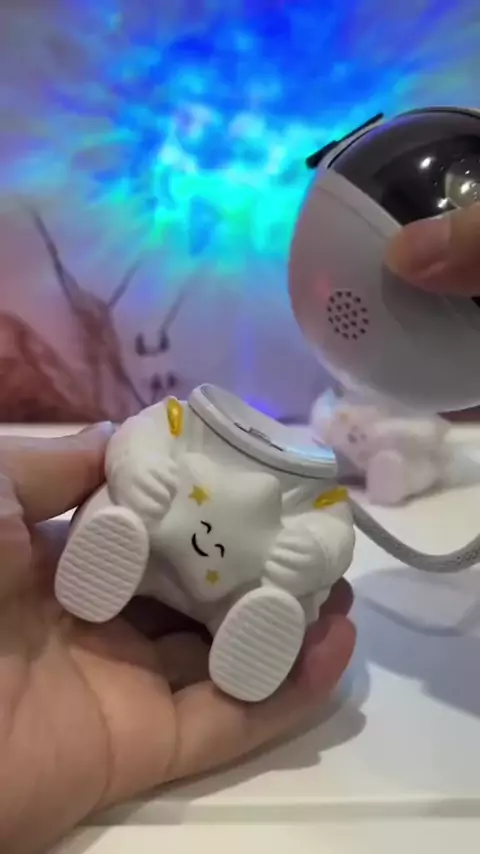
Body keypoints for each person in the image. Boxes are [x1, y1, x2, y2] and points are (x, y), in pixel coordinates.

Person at [1, 201, 478, 854]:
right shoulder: (178, 421)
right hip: (163, 535)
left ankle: (261, 618)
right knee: (126, 503)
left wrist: (309, 553)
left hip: (246, 571)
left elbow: (333, 534)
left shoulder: (316, 488)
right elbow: (139, 437)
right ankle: (121, 543)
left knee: (287, 585)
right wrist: (139, 466)